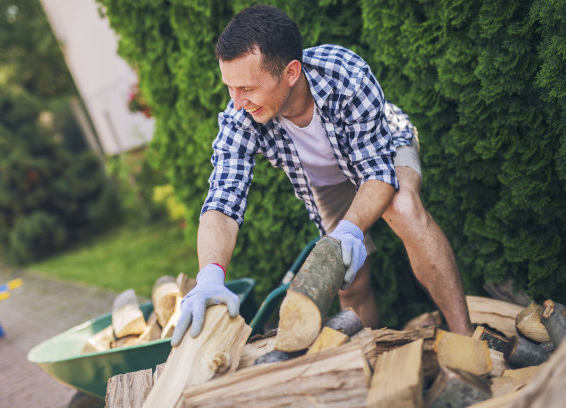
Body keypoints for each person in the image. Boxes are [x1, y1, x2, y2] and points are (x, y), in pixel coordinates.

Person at [171, 4, 472, 346]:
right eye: (230, 87)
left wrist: (350, 230)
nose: (237, 102)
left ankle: (465, 339)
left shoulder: (346, 75)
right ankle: (365, 360)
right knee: (348, 280)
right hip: (325, 181)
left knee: (403, 208)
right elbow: (222, 201)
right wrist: (210, 275)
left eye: (248, 89)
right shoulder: (240, 116)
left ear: (291, 72)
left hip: (380, 149)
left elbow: (376, 172)